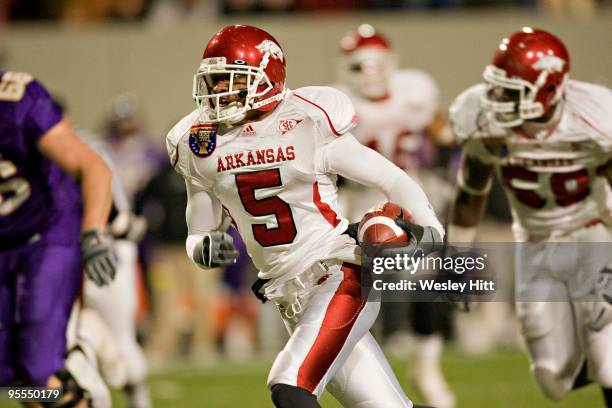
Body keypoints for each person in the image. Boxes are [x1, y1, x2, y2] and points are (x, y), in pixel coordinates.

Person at [167, 24, 444, 408]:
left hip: (339, 273)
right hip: (288, 296)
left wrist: (430, 228)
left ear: (265, 78)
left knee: (290, 387)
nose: (217, 92)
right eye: (213, 81)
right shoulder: (197, 142)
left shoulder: (305, 120)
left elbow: (391, 177)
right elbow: (198, 230)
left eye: (228, 80)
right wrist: (203, 246)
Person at [448, 28, 612, 406]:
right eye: (497, 87)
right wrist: (455, 254)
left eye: (511, 91)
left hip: (592, 234)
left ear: (548, 89)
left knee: (607, 357)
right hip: (534, 242)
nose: (497, 98)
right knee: (551, 379)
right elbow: (472, 190)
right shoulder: (481, 118)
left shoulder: (593, 117)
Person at [334, 24, 455, 408]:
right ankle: (357, 358)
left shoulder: (416, 90)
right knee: (353, 282)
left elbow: (442, 132)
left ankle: (427, 363)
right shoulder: (336, 103)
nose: (369, 74)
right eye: (359, 66)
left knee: (430, 277)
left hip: (412, 191)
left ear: (392, 63)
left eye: (376, 64)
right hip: (359, 200)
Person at [0, 70, 116, 407]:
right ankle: (71, 397)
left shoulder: (17, 102)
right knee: (13, 379)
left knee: (36, 368)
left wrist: (93, 231)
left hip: (46, 233)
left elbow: (92, 166)